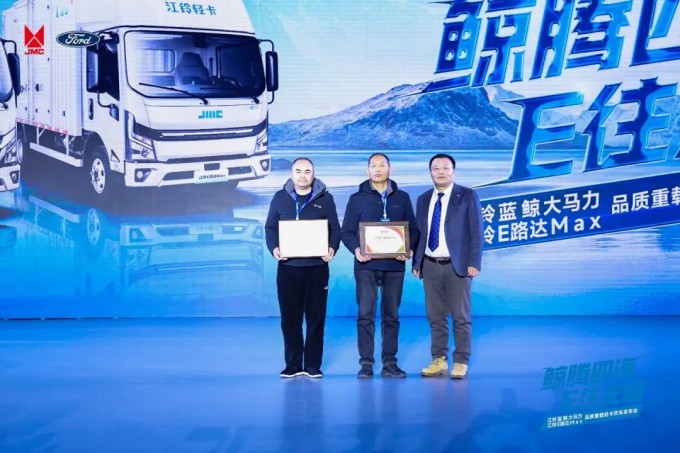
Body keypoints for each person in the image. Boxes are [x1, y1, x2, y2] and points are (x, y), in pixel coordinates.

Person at [341, 153, 419, 379]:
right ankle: (366, 363)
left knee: (391, 315)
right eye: (373, 166)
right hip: (365, 265)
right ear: (368, 170)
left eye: (382, 165)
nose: (377, 169)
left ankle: (390, 363)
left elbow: (413, 230)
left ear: (389, 169)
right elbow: (347, 232)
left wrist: (409, 249)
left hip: (394, 265)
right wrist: (357, 249)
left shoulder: (402, 197)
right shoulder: (356, 198)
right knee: (365, 314)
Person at [265, 158, 341, 379]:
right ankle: (293, 364)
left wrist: (332, 248)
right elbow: (270, 228)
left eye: (307, 171)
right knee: (290, 320)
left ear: (313, 174)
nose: (303, 175)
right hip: (288, 267)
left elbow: (335, 229)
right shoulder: (280, 197)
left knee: (316, 319)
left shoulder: (326, 198)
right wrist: (274, 248)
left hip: (317, 267)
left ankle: (313, 365)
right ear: (292, 174)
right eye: (298, 171)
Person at [412, 153, 483, 379]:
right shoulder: (423, 199)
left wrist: (474, 261)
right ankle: (439, 360)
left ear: (453, 171)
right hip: (430, 265)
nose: (440, 171)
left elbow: (477, 231)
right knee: (435, 317)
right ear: (430, 172)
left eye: (445, 167)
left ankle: (461, 361)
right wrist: (417, 262)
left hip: (457, 266)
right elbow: (420, 234)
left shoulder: (467, 196)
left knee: (461, 317)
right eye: (436, 168)